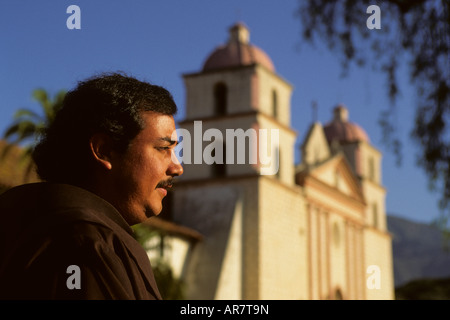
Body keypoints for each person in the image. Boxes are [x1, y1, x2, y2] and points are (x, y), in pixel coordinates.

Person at [0, 72, 183, 299]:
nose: (177, 167)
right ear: (103, 150)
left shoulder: (28, 224)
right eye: (163, 148)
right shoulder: (86, 243)